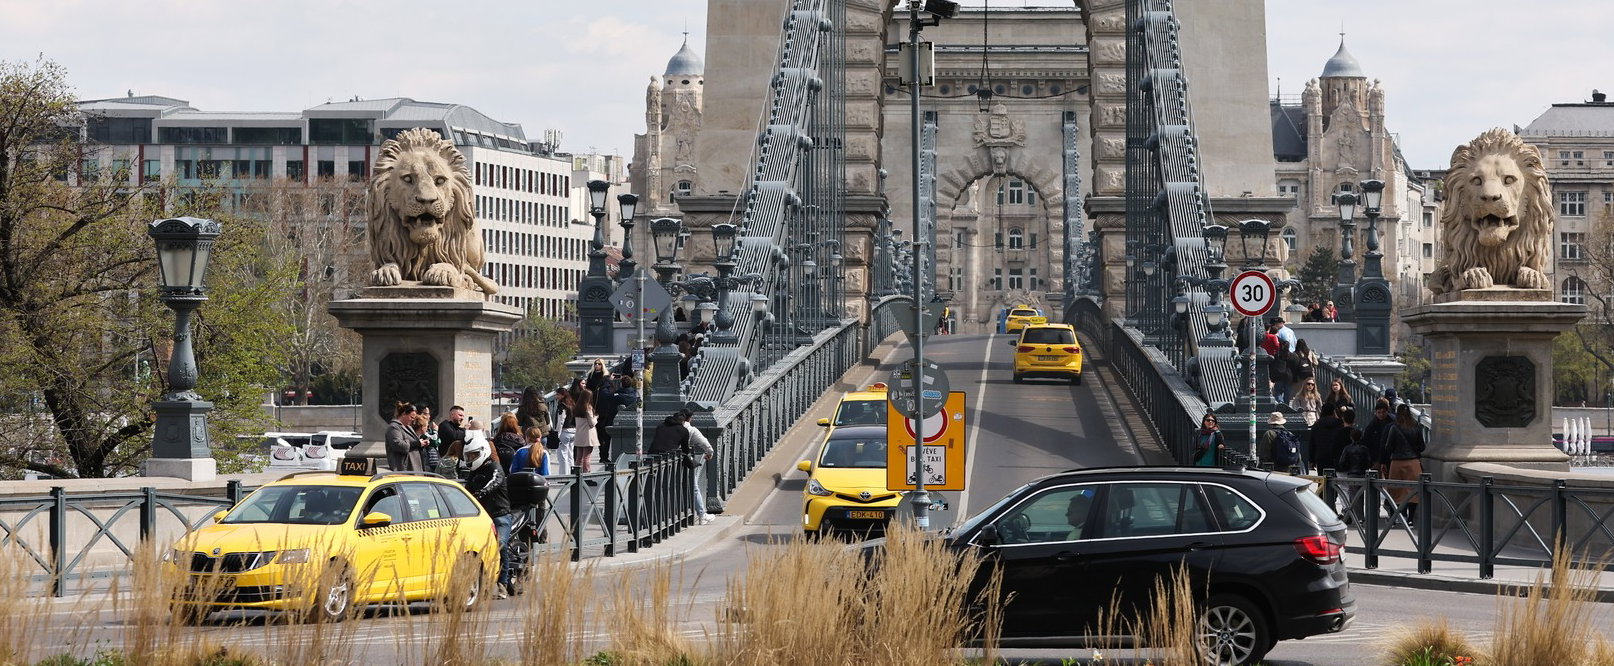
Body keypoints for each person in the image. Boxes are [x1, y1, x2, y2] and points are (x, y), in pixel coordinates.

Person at [460, 437, 513, 598]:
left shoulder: (495, 467)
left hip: (500, 515)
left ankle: (502, 584)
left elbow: (495, 481)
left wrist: (483, 491)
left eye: (474, 455)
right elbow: (467, 490)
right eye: (469, 456)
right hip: (482, 518)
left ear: (483, 452)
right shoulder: (473, 472)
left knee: (500, 546)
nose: (471, 459)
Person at [1386, 403, 1427, 522]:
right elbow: (1422, 446)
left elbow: (1388, 447)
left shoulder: (1394, 428)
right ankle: (1410, 519)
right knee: (1413, 491)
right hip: (1413, 462)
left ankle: (1395, 517)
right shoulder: (1417, 427)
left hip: (1397, 462)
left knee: (1395, 490)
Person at [680, 409, 715, 524]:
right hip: (684, 461)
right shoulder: (691, 430)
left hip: (669, 462)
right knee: (694, 487)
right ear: (690, 418)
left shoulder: (672, 428)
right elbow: (705, 443)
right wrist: (710, 453)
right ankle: (701, 515)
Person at [1308, 402, 1345, 474]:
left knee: (1322, 478)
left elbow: (1312, 443)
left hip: (1321, 457)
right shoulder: (1339, 424)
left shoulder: (1317, 425)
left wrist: (1312, 460)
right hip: (1336, 457)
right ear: (1333, 412)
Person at [384, 402, 419, 471]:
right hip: (403, 468)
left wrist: (421, 443)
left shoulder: (409, 427)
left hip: (413, 467)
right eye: (411, 417)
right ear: (404, 414)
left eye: (414, 418)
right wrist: (416, 443)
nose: (413, 420)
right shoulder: (393, 427)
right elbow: (398, 445)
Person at [572, 386, 599, 472]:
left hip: (579, 434)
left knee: (579, 458)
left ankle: (577, 474)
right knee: (586, 457)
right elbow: (591, 424)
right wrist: (596, 418)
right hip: (588, 435)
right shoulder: (588, 408)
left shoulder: (577, 407)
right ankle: (586, 474)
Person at [552, 391, 577, 475]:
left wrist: (557, 434)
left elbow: (561, 420)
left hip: (564, 431)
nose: (556, 396)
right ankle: (572, 473)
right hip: (573, 431)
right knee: (570, 454)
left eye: (558, 394)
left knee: (562, 455)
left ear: (562, 395)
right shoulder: (572, 404)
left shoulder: (562, 406)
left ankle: (564, 475)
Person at [419, 406, 441, 471]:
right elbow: (434, 442)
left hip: (435, 461)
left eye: (429, 414)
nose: (429, 416)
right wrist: (435, 431)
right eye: (427, 414)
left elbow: (439, 442)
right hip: (426, 462)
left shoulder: (430, 429)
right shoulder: (420, 430)